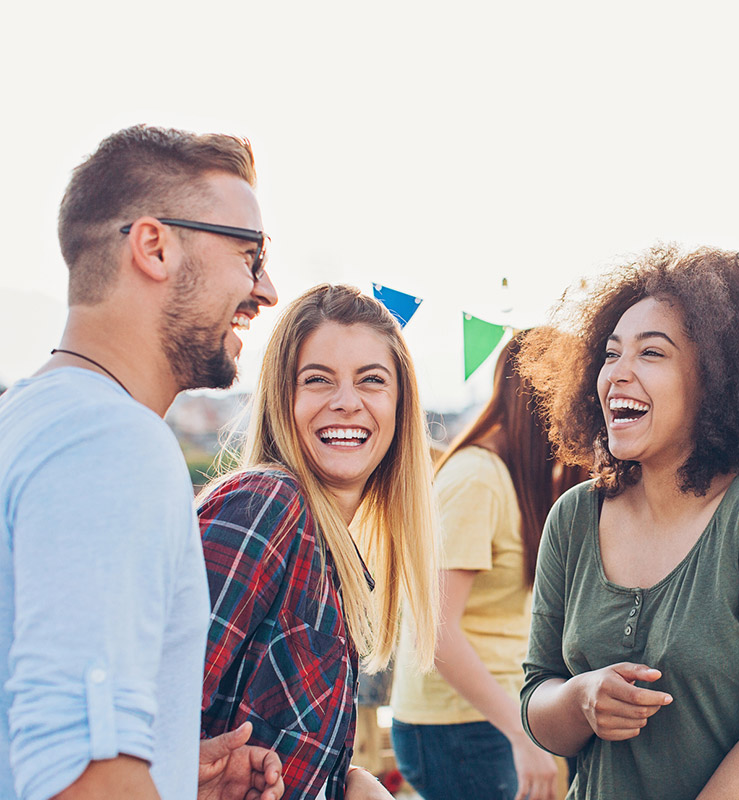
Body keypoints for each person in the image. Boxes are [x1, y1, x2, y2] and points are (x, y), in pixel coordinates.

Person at [0, 125, 284, 800]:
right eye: (249, 253)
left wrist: (166, 771)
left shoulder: (30, 419)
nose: (266, 288)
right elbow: (83, 773)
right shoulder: (110, 441)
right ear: (154, 246)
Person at [514, 245, 739, 800]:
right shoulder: (574, 516)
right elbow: (536, 699)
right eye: (610, 354)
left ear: (718, 379)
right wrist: (581, 699)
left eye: (651, 353)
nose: (618, 375)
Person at [198, 283, 439, 800]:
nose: (346, 403)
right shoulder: (268, 505)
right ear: (284, 399)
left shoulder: (336, 557)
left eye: (371, 381)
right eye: (318, 380)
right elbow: (141, 729)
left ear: (400, 405)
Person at [390, 331, 585, 800]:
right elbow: (436, 631)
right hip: (460, 725)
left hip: (492, 715)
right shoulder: (477, 478)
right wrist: (521, 734)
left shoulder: (519, 480)